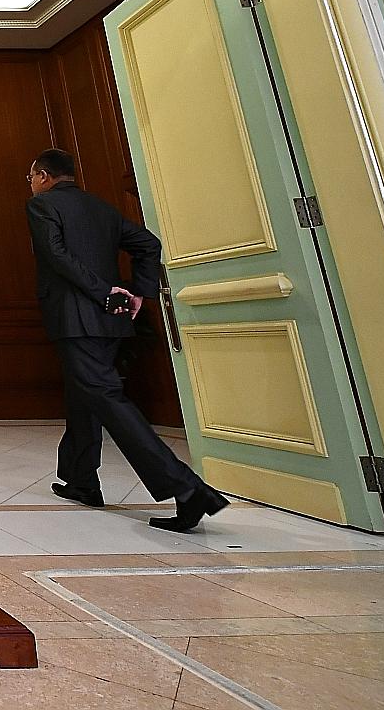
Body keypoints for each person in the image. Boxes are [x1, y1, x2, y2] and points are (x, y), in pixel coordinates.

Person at [25, 148, 228, 532]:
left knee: (104, 397)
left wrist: (104, 291)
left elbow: (56, 255)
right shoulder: (102, 209)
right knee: (84, 394)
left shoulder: (41, 207)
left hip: (76, 318)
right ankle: (81, 480)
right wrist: (138, 292)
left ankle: (188, 489)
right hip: (111, 321)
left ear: (44, 176)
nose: (31, 184)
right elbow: (148, 244)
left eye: (31, 177)